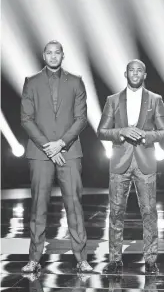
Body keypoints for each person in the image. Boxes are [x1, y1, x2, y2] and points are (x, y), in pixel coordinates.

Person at [20, 40, 92, 273]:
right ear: (44, 55)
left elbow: (81, 119)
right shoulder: (31, 82)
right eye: (49, 53)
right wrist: (47, 147)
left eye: (57, 53)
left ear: (63, 55)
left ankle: (82, 258)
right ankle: (34, 259)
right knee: (38, 206)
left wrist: (61, 144)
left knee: (74, 205)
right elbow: (26, 119)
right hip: (39, 154)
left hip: (69, 152)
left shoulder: (76, 81)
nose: (53, 56)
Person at [97, 59, 164, 274]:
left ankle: (150, 260)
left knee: (149, 212)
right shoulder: (113, 100)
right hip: (119, 161)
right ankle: (114, 259)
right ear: (126, 73)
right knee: (116, 213)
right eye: (132, 70)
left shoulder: (155, 100)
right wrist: (121, 131)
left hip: (145, 162)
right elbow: (101, 130)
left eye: (139, 70)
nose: (135, 73)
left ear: (145, 74)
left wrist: (145, 135)